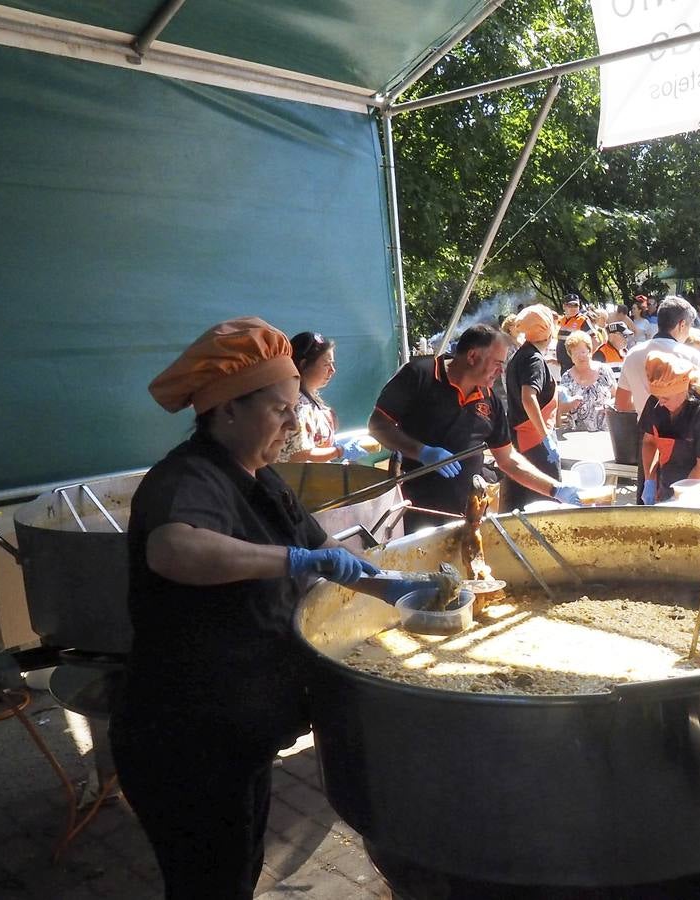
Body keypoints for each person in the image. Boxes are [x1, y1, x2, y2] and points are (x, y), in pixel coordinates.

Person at [111, 317, 457, 900]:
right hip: (182, 737)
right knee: (207, 883)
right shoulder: (186, 479)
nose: (292, 423)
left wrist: (399, 588)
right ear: (226, 411)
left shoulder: (262, 478)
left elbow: (327, 553)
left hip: (238, 733)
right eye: (279, 411)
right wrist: (291, 561)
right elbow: (174, 550)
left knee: (236, 872)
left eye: (295, 408)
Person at [369, 323, 579, 518]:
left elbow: (508, 460)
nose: (501, 370)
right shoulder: (419, 375)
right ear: (472, 356)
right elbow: (378, 425)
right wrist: (422, 451)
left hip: (468, 516)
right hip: (415, 512)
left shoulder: (490, 400)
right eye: (497, 363)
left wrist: (556, 489)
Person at [638, 351, 700, 504]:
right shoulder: (654, 403)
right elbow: (649, 442)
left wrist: (681, 500)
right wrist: (649, 480)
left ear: (682, 389)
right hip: (665, 487)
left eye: (666, 397)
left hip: (698, 494)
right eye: (657, 396)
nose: (661, 402)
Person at [504, 306, 562, 509]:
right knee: (545, 506)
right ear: (547, 331)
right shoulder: (533, 360)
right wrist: (545, 436)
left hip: (523, 440)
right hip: (534, 444)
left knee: (517, 504)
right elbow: (528, 397)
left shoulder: (521, 356)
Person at [615, 296, 700, 416]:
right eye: (690, 326)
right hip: (683, 432)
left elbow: (622, 403)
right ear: (682, 325)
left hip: (646, 431)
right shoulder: (691, 355)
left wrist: (645, 410)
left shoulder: (633, 354)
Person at [280, 331, 342, 463]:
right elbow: (299, 454)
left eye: (333, 364)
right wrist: (340, 451)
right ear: (303, 365)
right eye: (326, 364)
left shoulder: (309, 400)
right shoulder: (297, 405)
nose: (332, 370)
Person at [561, 330, 618, 433]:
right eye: (575, 353)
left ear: (590, 352)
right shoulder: (566, 378)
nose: (580, 356)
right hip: (576, 435)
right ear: (570, 356)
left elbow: (618, 397)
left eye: (583, 352)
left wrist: (608, 405)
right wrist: (570, 403)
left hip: (604, 432)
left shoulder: (604, 371)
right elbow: (561, 407)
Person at [555, 294, 591, 370]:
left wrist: (586, 358)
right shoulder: (562, 320)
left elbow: (595, 340)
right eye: (570, 305)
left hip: (576, 365)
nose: (573, 308)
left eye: (576, 305)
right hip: (564, 364)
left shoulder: (583, 320)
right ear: (564, 306)